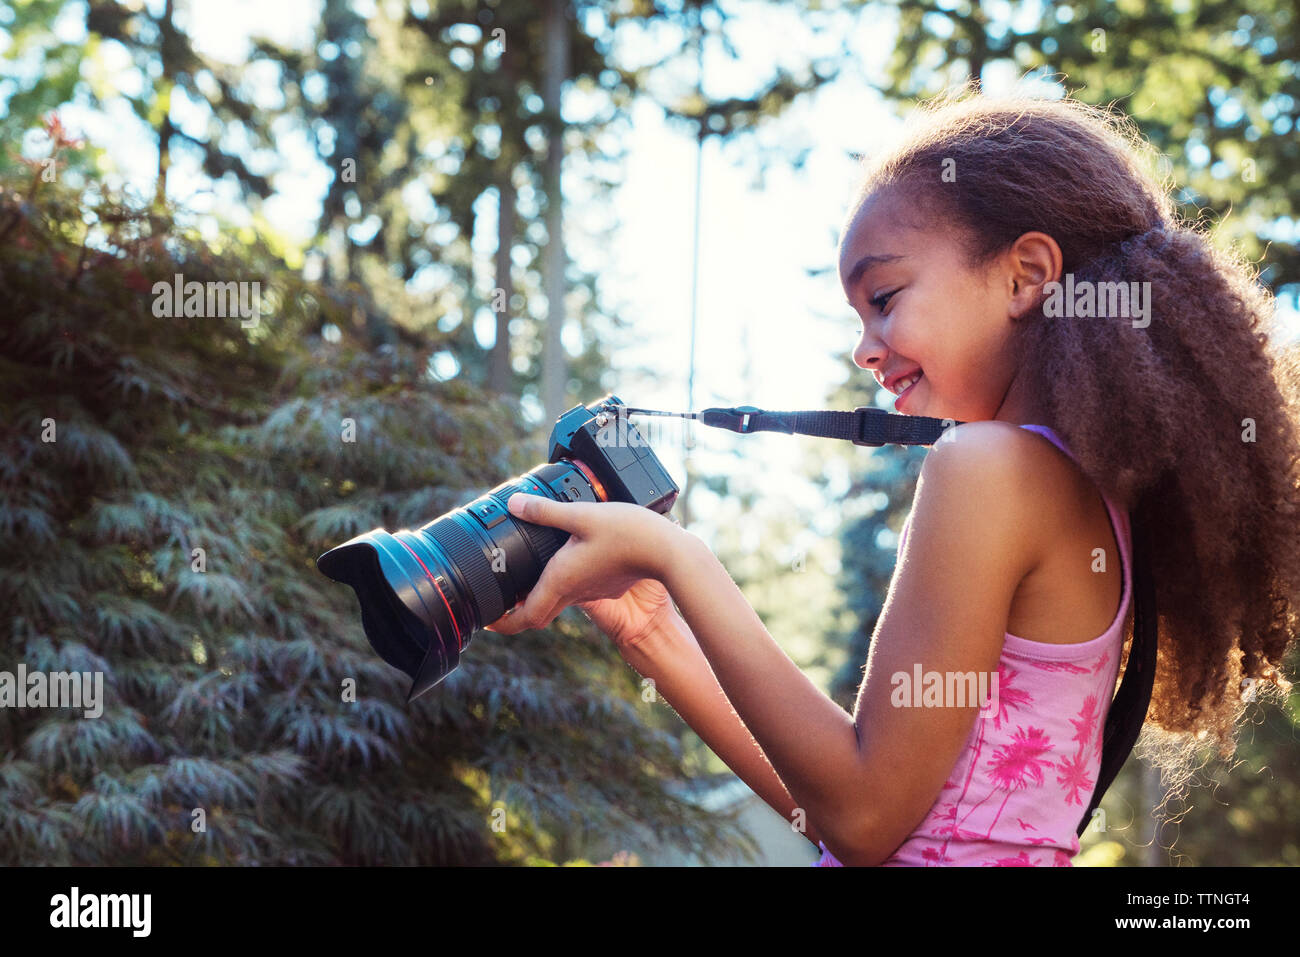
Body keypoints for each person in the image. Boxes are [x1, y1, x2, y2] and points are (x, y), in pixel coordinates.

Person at [484, 92, 1300, 866]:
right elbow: (845, 806)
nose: (864, 347)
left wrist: (678, 555)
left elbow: (866, 821)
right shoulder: (1082, 499)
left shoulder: (989, 468)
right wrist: (653, 631)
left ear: (1026, 276)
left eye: (884, 296)